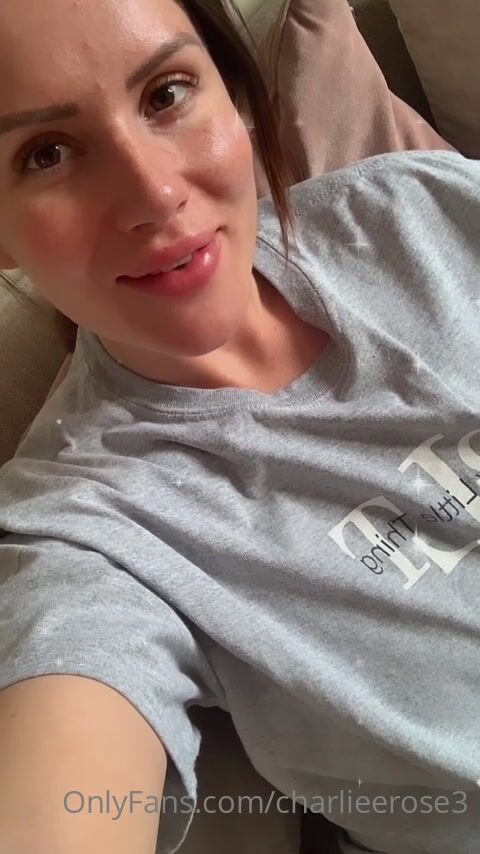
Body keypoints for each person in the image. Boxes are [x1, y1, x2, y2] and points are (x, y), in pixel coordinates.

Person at [0, 0, 479, 852]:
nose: (155, 194)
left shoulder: (420, 210)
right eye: (48, 153)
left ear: (235, 96)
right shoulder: (88, 529)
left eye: (166, 93)